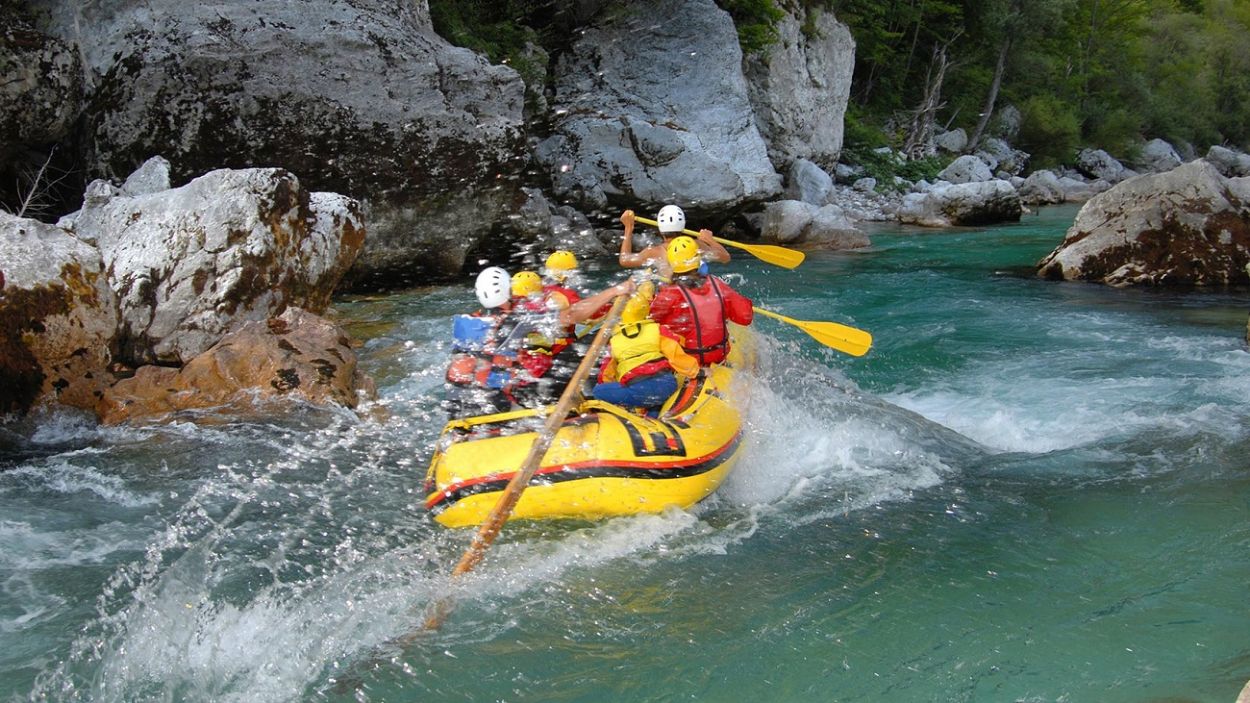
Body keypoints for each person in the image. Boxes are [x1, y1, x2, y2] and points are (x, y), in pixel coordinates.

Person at [648, 236, 754, 366]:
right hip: (718, 355)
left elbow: (650, 320)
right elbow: (745, 316)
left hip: (688, 358)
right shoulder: (716, 284)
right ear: (698, 260)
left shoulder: (669, 294)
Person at [591, 286, 698, 410]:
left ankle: (637, 410)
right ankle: (654, 410)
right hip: (667, 385)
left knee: (598, 391)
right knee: (652, 396)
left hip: (638, 389)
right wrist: (696, 372)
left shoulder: (614, 341)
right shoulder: (658, 330)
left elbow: (606, 374)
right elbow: (676, 355)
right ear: (646, 309)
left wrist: (615, 390)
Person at [618, 205, 730, 278]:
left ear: (660, 229)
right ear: (683, 225)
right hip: (698, 292)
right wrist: (711, 241)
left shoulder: (654, 252)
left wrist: (628, 228)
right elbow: (726, 258)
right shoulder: (697, 245)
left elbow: (624, 260)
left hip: (672, 296)